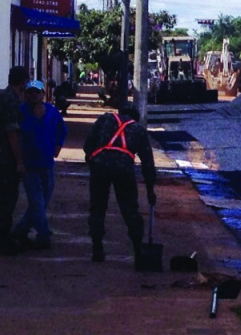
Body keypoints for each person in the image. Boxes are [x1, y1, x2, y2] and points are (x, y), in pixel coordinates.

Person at [83, 104, 157, 265]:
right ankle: (138, 250)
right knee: (130, 208)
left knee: (97, 207)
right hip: (124, 170)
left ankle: (97, 249)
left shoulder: (105, 119)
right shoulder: (138, 129)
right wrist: (150, 189)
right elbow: (148, 163)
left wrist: (91, 159)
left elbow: (87, 145)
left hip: (100, 166)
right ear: (135, 119)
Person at [11, 80, 67, 250]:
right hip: (29, 165)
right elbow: (16, 134)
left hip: (47, 164)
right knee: (36, 202)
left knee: (43, 202)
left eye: (37, 92)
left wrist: (57, 147)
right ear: (26, 94)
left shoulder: (51, 111)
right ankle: (44, 235)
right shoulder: (20, 112)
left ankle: (19, 232)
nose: (34, 95)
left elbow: (62, 130)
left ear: (43, 94)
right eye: (30, 92)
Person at [1, 66, 29, 255]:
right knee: (7, 200)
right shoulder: (11, 101)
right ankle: (3, 240)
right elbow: (12, 133)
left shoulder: (2, 95)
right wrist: (19, 161)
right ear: (23, 82)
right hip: (5, 161)